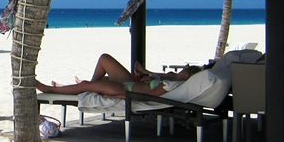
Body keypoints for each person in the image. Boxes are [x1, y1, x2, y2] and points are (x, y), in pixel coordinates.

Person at [36, 54, 199, 99]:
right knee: (104, 59)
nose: (183, 69)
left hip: (124, 88)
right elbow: (157, 78)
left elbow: (148, 97)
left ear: (188, 76)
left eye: (186, 69)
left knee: (87, 85)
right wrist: (146, 74)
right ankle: (86, 86)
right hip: (129, 82)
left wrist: (120, 96)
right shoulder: (173, 79)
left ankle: (48, 88)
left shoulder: (173, 85)